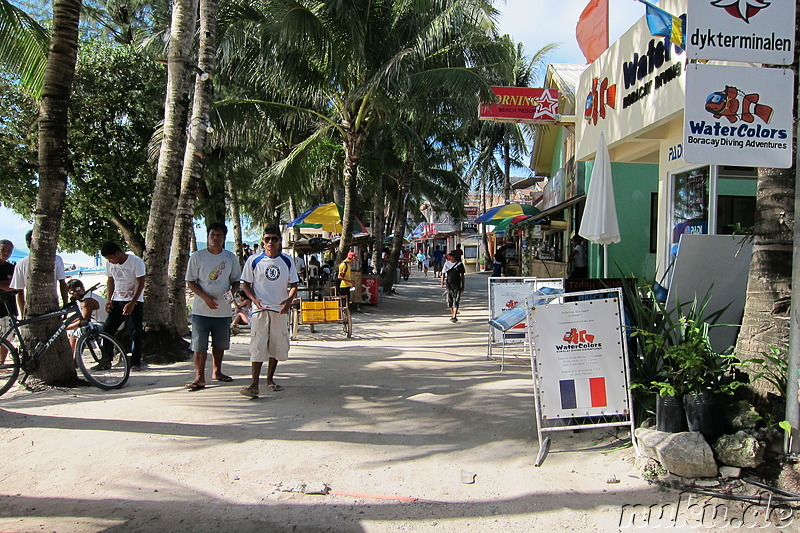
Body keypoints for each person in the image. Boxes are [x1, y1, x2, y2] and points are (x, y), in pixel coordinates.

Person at [239, 224, 298, 398]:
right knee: (257, 345)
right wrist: (253, 299)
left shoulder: (287, 261)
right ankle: (254, 384)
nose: (270, 242)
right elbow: (246, 284)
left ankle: (270, 379)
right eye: (267, 239)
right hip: (260, 310)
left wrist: (288, 301)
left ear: (280, 241)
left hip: (280, 309)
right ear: (263, 242)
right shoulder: (254, 260)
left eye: (274, 239)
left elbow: (294, 284)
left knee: (277, 345)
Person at [184, 223, 242, 391]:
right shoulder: (197, 257)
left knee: (220, 343)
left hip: (223, 310)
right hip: (201, 310)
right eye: (212, 235)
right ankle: (199, 377)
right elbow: (190, 281)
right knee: (199, 345)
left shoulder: (230, 258)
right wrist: (205, 297)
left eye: (219, 235)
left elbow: (236, 280)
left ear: (224, 238)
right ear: (208, 236)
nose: (215, 238)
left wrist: (231, 292)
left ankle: (217, 371)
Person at [101, 241, 146, 371]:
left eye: (111, 258)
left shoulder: (136, 262)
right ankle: (106, 359)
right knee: (107, 329)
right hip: (117, 299)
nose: (110, 261)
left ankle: (135, 363)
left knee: (134, 332)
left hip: (134, 301)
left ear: (118, 253)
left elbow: (140, 283)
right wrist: (109, 299)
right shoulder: (110, 264)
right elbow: (110, 280)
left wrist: (132, 302)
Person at [10, 230, 69, 315]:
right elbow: (62, 283)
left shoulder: (21, 263)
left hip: (41, 308)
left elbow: (19, 291)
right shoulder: (55, 259)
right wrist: (65, 305)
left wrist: (23, 313)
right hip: (49, 308)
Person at [65, 279, 107, 353]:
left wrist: (65, 328)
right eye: (72, 291)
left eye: (78, 289)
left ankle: (76, 360)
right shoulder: (83, 298)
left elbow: (84, 321)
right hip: (99, 322)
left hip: (106, 325)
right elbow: (81, 316)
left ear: (83, 287)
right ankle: (72, 358)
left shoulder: (87, 301)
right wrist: (67, 324)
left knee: (81, 330)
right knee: (72, 331)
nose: (75, 293)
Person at [0, 240, 16, 365]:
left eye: (9, 251)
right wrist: (8, 285)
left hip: (10, 307)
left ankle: (1, 363)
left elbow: (18, 287)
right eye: (3, 249)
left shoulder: (11, 268)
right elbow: (11, 286)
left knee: (8, 337)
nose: (6, 252)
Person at [441, 251, 466, 323]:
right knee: (449, 302)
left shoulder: (460, 265)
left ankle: (454, 316)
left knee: (456, 301)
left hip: (457, 285)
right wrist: (442, 283)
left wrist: (463, 285)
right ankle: (453, 315)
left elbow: (462, 276)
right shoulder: (447, 264)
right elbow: (443, 273)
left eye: (451, 256)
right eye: (449, 256)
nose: (450, 257)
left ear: (454, 256)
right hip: (449, 285)